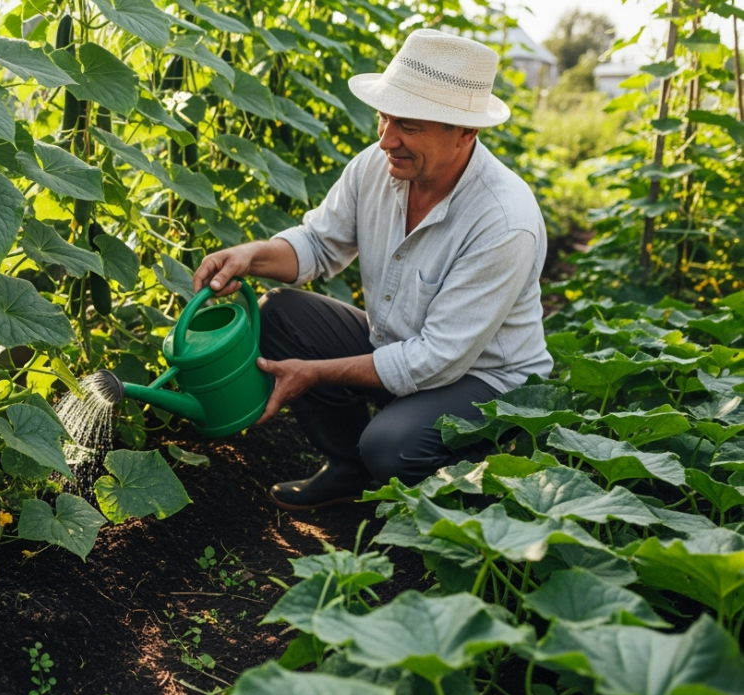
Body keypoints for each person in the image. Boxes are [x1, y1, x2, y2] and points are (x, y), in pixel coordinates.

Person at [191, 29, 552, 511]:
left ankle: (467, 494)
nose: (386, 139)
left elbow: (437, 358)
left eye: (408, 125)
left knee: (392, 447)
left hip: (485, 382)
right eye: (384, 116)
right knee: (279, 315)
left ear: (465, 133)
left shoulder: (504, 221)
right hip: (400, 345)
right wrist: (250, 256)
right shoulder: (377, 168)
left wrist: (315, 373)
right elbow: (319, 244)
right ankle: (348, 471)